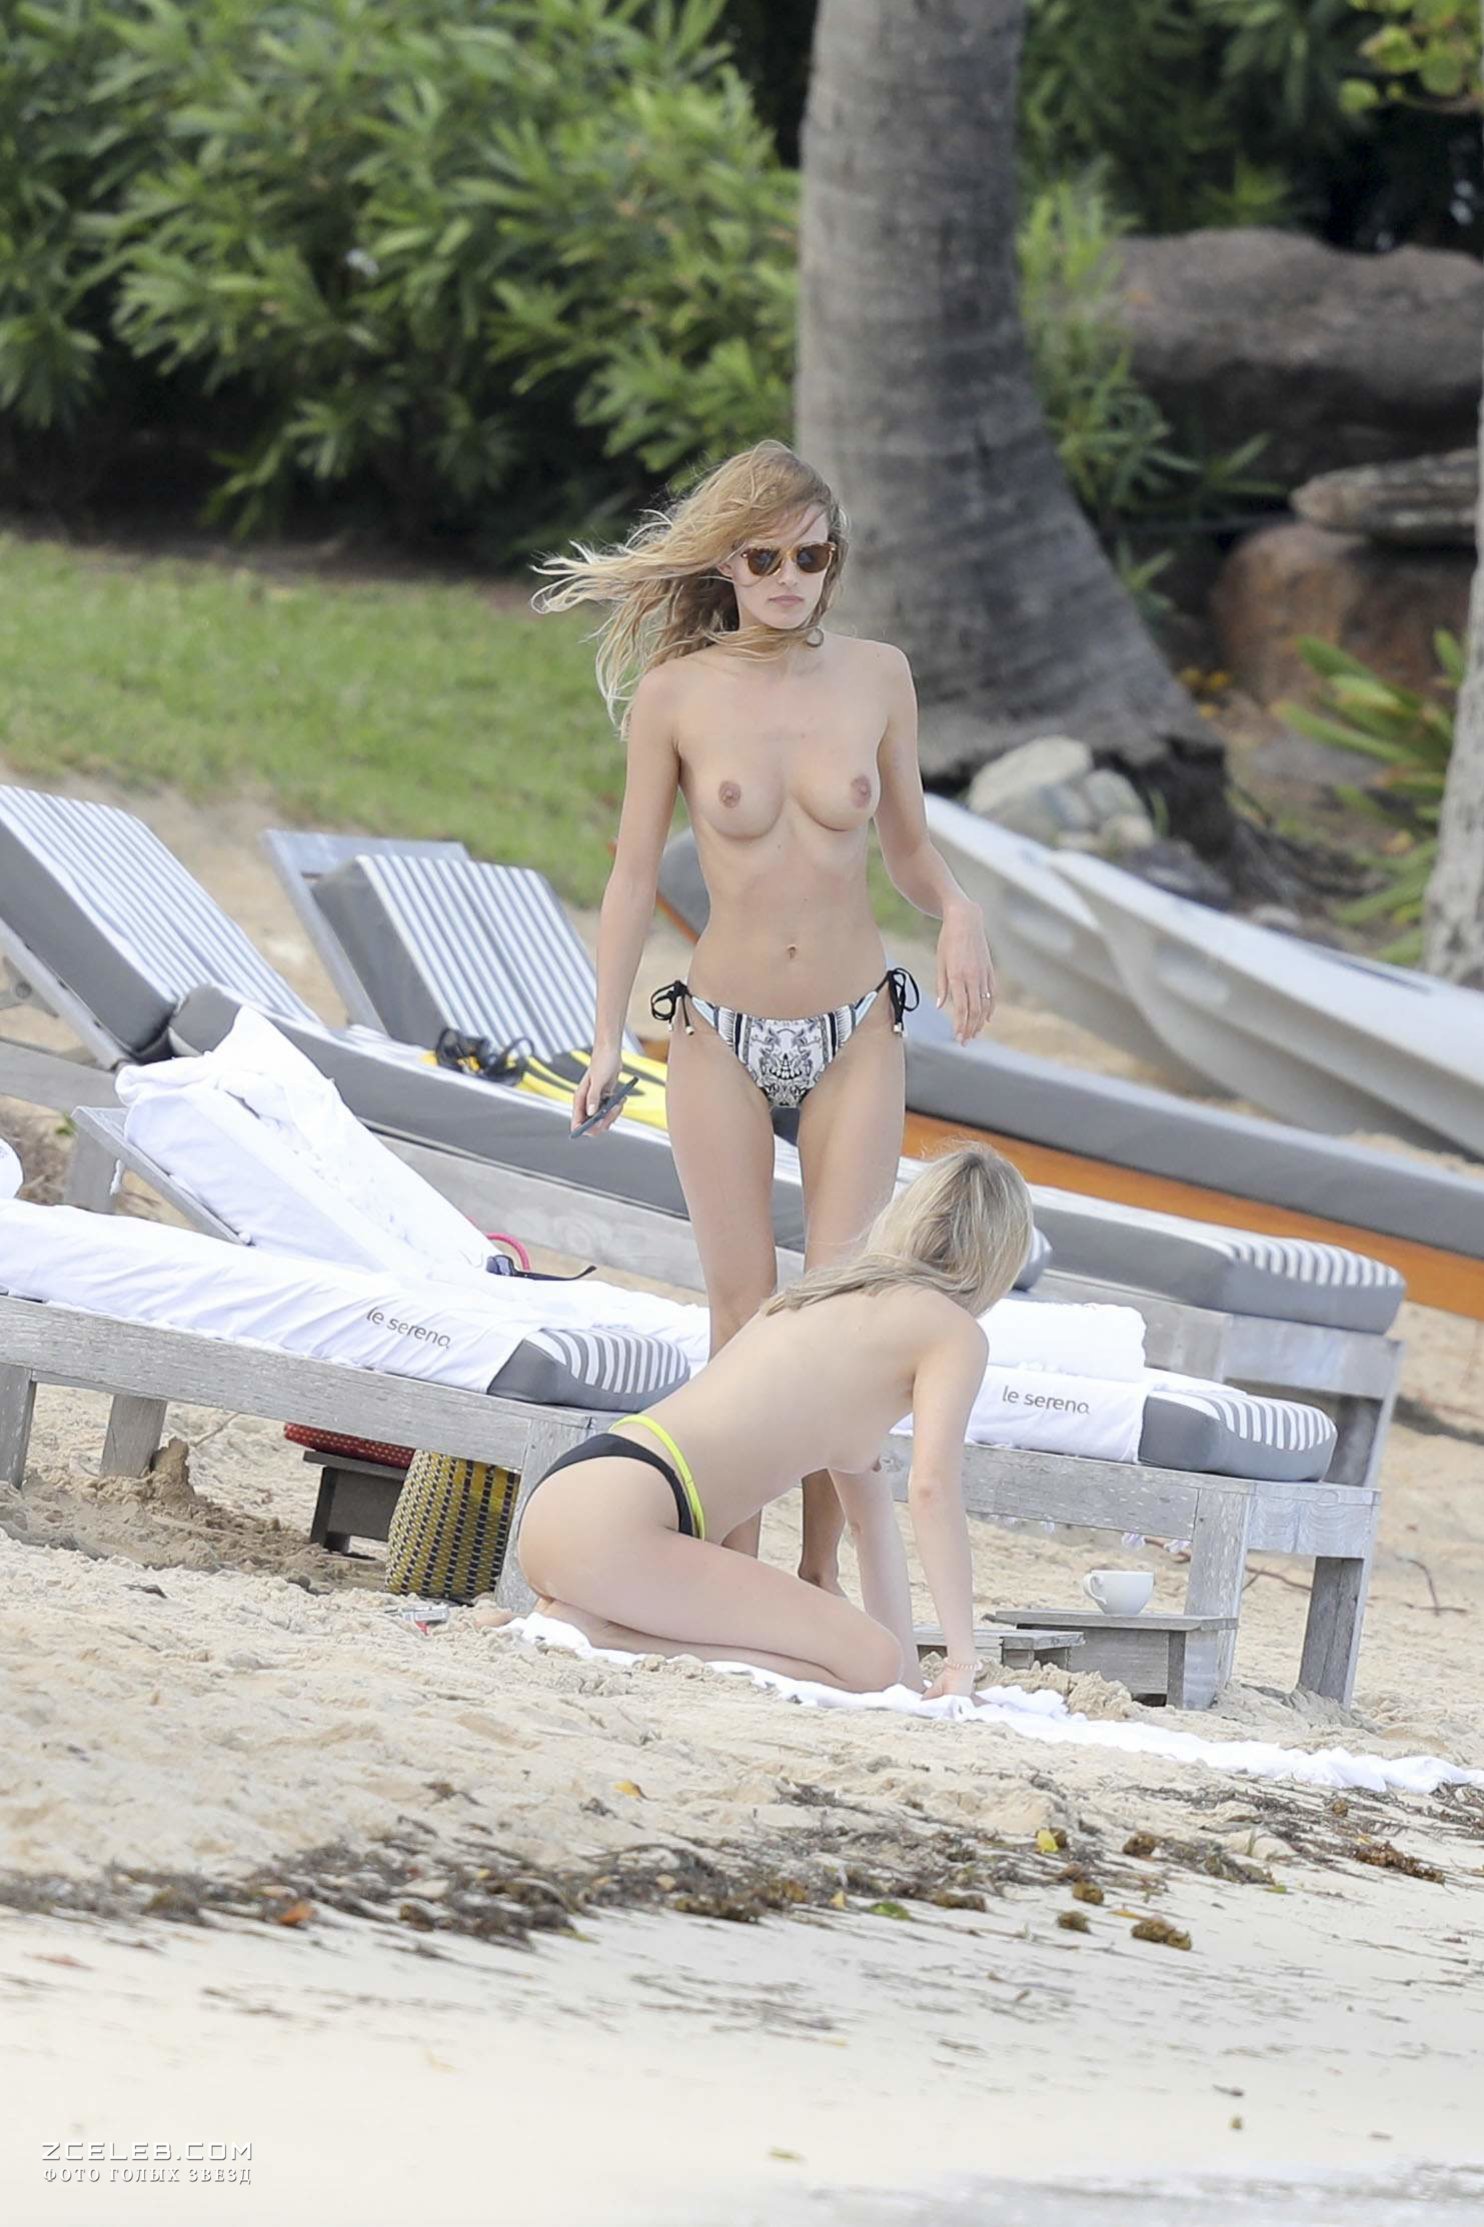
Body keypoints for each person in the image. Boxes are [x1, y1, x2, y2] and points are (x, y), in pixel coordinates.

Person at [534, 441, 996, 1589]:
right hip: (719, 1032)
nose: (789, 579)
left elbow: (906, 847)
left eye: (810, 557)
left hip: (854, 1028)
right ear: (725, 564)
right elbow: (630, 877)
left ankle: (818, 1578)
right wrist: (603, 1038)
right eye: (763, 559)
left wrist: (956, 909)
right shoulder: (676, 695)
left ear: (833, 562)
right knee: (740, 1306)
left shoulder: (877, 676)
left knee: (840, 1309)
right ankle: (728, 1564)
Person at [516, 1146, 1033, 1700]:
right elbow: (931, 1490)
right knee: (871, 1661)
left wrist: (907, 1683)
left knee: (879, 1662)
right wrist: (961, 1660)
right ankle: (600, 1635)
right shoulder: (952, 1332)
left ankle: (587, 1622)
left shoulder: (824, 1297)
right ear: (999, 1257)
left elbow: (871, 1527)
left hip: (573, 1497)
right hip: (627, 1523)